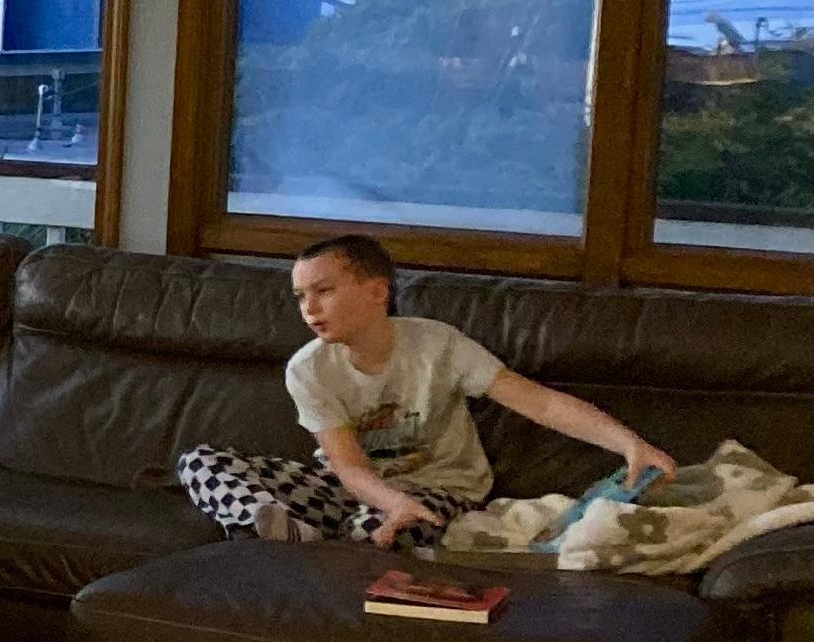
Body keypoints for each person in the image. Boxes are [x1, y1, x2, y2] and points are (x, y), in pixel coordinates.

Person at [179, 231, 673, 548]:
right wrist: (384, 499)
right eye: (300, 296)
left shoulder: (438, 344)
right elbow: (348, 466)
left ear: (377, 291)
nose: (309, 308)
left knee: (390, 534)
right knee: (200, 463)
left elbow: (538, 401)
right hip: (353, 487)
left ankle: (312, 541)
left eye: (323, 290)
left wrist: (628, 442)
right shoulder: (308, 369)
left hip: (441, 491)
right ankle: (280, 529)